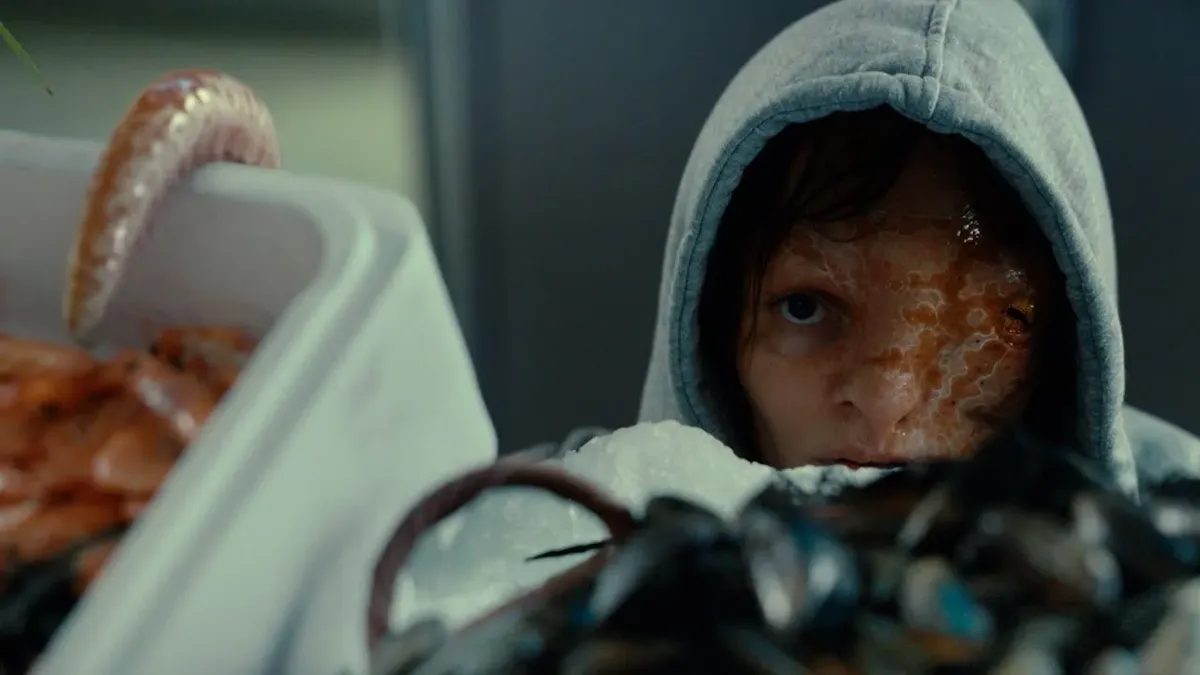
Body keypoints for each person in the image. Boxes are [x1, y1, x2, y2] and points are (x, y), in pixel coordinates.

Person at [524, 0, 1200, 499]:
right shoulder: (529, 542)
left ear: (1062, 357)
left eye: (977, 326)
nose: (885, 398)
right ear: (713, 333)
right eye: (806, 306)